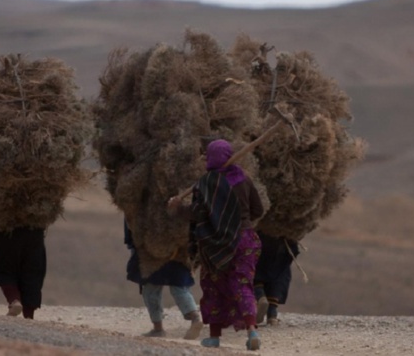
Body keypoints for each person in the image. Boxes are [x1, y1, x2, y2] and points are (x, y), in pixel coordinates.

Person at [168, 139, 265, 351]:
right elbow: (258, 209)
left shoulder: (206, 184)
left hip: (215, 246)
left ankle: (214, 337)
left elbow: (197, 214)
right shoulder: (244, 178)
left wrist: (177, 207)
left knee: (213, 287)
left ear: (210, 158)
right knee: (243, 284)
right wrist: (241, 222)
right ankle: (252, 331)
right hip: (245, 240)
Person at [124, 219, 203, 340]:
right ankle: (195, 318)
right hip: (179, 249)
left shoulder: (144, 201)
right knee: (180, 288)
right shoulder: (183, 203)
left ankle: (158, 328)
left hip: (151, 249)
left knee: (151, 289)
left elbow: (132, 221)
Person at [0, 226, 47, 319]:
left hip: (5, 229)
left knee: (4, 271)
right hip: (34, 230)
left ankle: (14, 300)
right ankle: (29, 316)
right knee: (31, 274)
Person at [254, 231, 300, 326]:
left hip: (260, 231)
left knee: (254, 264)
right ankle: (272, 314)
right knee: (281, 267)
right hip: (286, 232)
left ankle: (259, 295)